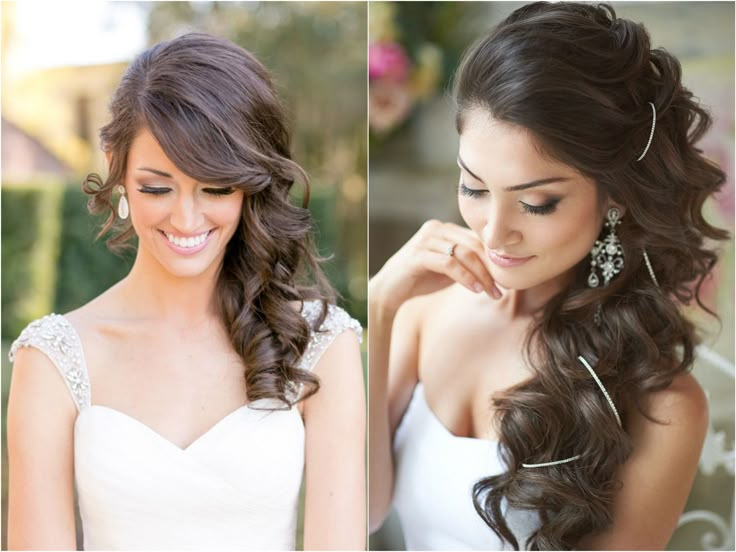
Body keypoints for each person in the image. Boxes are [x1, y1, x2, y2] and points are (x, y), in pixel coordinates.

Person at [368, 2, 728, 550]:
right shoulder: (422, 308)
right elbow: (357, 511)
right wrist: (379, 307)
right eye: (474, 187)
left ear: (615, 199)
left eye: (536, 203)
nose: (493, 233)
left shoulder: (663, 405)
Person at [7, 32, 365, 551]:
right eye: (158, 187)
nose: (187, 218)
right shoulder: (55, 358)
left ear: (249, 184)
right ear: (116, 164)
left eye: (216, 187)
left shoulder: (320, 342)